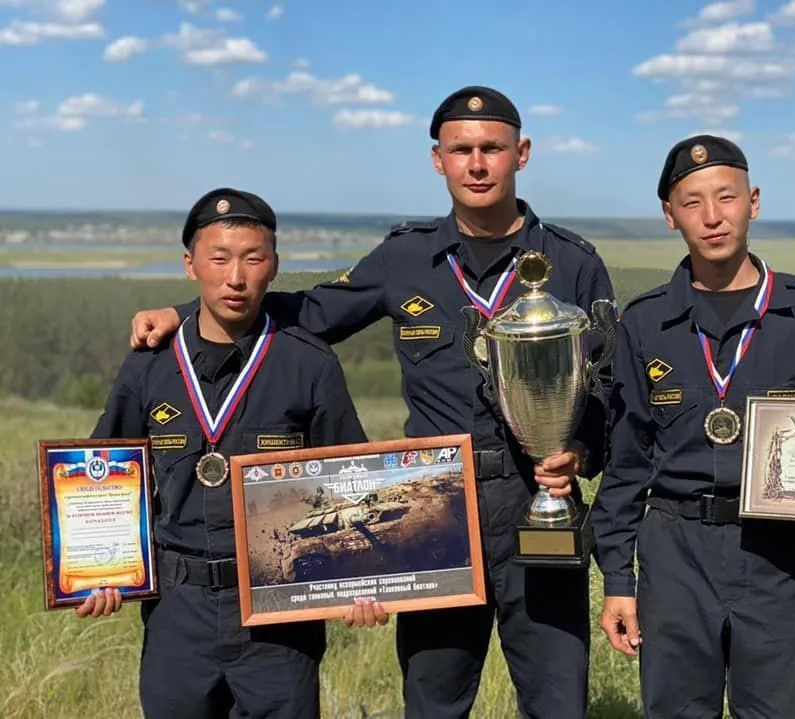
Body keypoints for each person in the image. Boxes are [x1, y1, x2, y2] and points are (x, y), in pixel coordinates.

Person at [126, 86, 617, 719]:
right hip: (433, 509)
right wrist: (190, 311)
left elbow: (607, 381)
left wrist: (578, 450)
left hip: (536, 499)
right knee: (434, 697)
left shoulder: (573, 263)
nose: (476, 163)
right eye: (460, 149)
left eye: (491, 149)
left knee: (557, 698)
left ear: (520, 154)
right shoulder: (404, 257)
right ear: (436, 159)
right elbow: (307, 312)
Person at [592, 134, 795, 719]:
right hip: (674, 555)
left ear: (755, 201)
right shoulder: (643, 323)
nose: (713, 217)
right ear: (670, 215)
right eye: (692, 202)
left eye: (727, 197)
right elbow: (626, 464)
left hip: (776, 554)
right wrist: (619, 578)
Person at [76, 187, 372, 718]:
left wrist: (364, 577)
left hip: (281, 610)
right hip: (177, 610)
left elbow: (351, 478)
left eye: (253, 258)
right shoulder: (149, 363)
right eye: (219, 258)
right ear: (191, 265)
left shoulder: (309, 364)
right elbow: (103, 473)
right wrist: (99, 570)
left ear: (274, 267)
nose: (236, 277)